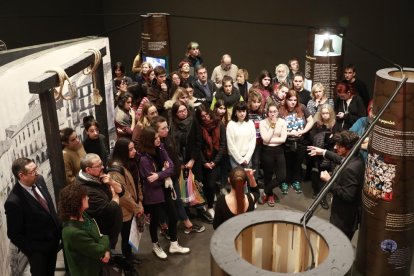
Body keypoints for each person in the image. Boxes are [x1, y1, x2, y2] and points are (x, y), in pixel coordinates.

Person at [138, 127, 190, 259]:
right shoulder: (144, 159)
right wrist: (163, 172)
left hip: (165, 190)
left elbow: (171, 168)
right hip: (154, 195)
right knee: (155, 221)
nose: (158, 139)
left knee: (173, 217)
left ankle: (174, 244)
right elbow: (151, 181)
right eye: (155, 138)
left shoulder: (160, 148)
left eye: (158, 137)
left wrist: (160, 174)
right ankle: (155, 245)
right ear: (148, 141)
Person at [4, 158, 61, 276]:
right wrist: (34, 251)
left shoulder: (39, 179)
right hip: (38, 252)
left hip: (54, 242)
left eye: (36, 168)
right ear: (21, 176)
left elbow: (49, 208)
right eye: (32, 171)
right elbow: (13, 234)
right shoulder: (14, 201)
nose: (37, 173)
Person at [151, 116, 206, 234]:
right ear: (156, 131)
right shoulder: (156, 145)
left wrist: (179, 165)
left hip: (174, 175)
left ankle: (183, 224)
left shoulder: (167, 138)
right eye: (163, 128)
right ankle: (171, 227)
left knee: (177, 202)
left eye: (167, 127)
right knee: (168, 204)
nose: (167, 130)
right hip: (165, 179)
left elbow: (174, 154)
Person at [308, 130, 365, 240]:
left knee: (337, 244)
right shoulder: (356, 158)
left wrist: (329, 180)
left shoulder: (351, 169)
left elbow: (348, 196)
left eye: (338, 146)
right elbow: (342, 160)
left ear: (346, 148)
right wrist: (323, 152)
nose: (335, 147)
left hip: (344, 219)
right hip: (344, 215)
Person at [59, 184, 110, 276]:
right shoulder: (72, 232)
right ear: (76, 202)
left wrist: (104, 250)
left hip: (96, 265)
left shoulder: (83, 214)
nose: (88, 198)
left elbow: (95, 232)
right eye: (84, 197)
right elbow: (98, 249)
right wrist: (105, 238)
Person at [108, 138, 144, 266]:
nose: (134, 151)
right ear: (122, 151)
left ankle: (129, 255)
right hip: (125, 210)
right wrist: (137, 207)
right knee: (126, 234)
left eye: (134, 148)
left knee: (130, 234)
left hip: (133, 205)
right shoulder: (115, 170)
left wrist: (140, 200)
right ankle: (126, 260)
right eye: (130, 149)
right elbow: (123, 195)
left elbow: (137, 183)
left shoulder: (131, 163)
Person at [77, 153, 123, 249]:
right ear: (88, 170)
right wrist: (115, 195)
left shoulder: (98, 176)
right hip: (103, 235)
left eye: (101, 163)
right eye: (98, 166)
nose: (102, 167)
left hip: (112, 228)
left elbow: (122, 191)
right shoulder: (86, 190)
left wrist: (112, 182)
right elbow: (111, 209)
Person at [279, 90, 314, 194]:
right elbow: (276, 126)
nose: (293, 102)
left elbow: (311, 121)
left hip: (300, 141)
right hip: (286, 142)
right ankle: (284, 182)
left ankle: (296, 181)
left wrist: (303, 131)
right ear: (286, 100)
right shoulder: (281, 110)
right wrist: (288, 134)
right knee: (286, 163)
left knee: (298, 163)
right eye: (290, 100)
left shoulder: (302, 107)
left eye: (295, 100)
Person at [309, 104, 342, 209]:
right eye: (323, 113)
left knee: (329, 174)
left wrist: (331, 139)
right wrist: (323, 136)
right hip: (318, 153)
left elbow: (340, 137)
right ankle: (320, 196)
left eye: (327, 113)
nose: (325, 115)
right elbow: (312, 136)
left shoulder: (336, 124)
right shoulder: (318, 124)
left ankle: (323, 194)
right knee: (319, 173)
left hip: (331, 152)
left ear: (331, 113)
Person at [196, 105, 227, 217]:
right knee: (203, 185)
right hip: (202, 160)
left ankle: (210, 206)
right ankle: (206, 203)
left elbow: (223, 144)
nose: (206, 118)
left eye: (207, 114)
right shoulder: (198, 127)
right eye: (203, 117)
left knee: (211, 184)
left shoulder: (219, 124)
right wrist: (204, 162)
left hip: (216, 159)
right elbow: (197, 146)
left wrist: (215, 162)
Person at [259, 103, 287, 206]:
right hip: (267, 151)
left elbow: (283, 139)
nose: (273, 114)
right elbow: (265, 139)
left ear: (278, 111)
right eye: (270, 112)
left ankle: (265, 191)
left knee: (282, 177)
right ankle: (270, 195)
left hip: (279, 151)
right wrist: (272, 125)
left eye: (275, 111)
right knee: (268, 175)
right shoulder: (263, 122)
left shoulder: (283, 122)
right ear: (267, 112)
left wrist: (269, 140)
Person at [226, 101, 256, 168]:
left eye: (244, 111)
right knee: (237, 177)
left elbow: (252, 142)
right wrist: (240, 159)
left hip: (247, 157)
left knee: (248, 178)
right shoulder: (231, 125)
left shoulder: (250, 123)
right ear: (235, 113)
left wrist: (247, 158)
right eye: (239, 111)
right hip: (234, 158)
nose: (242, 114)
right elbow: (231, 145)